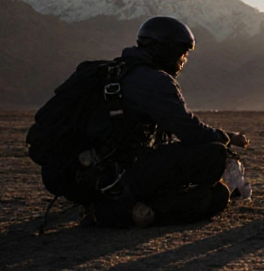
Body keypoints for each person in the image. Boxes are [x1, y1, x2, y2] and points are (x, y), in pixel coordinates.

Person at [92, 16, 251, 227]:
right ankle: (119, 211)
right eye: (181, 53)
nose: (183, 60)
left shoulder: (119, 71)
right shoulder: (153, 80)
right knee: (214, 155)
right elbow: (190, 130)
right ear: (164, 50)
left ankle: (136, 206)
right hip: (123, 171)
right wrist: (227, 138)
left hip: (96, 171)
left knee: (214, 194)